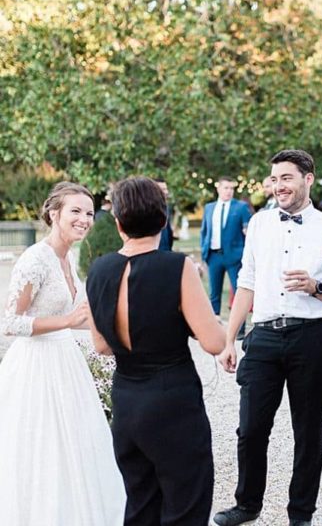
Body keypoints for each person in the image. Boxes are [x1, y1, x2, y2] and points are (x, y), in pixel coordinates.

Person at [211, 149, 322, 526]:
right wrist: (230, 338)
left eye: (286, 178)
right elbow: (245, 284)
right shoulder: (260, 224)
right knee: (250, 428)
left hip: (311, 337)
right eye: (274, 179)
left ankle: (301, 514)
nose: (279, 186)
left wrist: (315, 287)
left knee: (308, 431)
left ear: (308, 179)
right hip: (262, 337)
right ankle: (247, 505)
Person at [86, 176, 226, 526]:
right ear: (163, 220)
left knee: (140, 507)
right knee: (185, 507)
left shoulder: (98, 270)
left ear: (118, 223)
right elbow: (215, 342)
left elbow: (101, 345)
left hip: (127, 402)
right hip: (172, 403)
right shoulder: (177, 266)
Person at [0, 182, 126, 526]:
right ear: (54, 214)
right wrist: (67, 320)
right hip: (36, 368)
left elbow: (82, 319)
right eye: (76, 211)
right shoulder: (35, 259)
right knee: (43, 448)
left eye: (88, 213)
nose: (85, 219)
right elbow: (10, 321)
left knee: (78, 444)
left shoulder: (67, 257)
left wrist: (120, 337)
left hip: (66, 362)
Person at [200, 177, 252, 335]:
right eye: (226, 188)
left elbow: (248, 232)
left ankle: (239, 329)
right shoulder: (209, 207)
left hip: (234, 257)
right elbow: (204, 231)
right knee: (214, 293)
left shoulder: (241, 207)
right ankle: (214, 328)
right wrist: (204, 251)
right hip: (214, 256)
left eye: (231, 188)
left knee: (238, 291)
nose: (229, 191)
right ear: (218, 189)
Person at [155, 177, 174, 251]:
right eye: (163, 189)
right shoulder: (146, 210)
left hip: (166, 252)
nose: (166, 192)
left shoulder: (166, 207)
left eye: (166, 189)